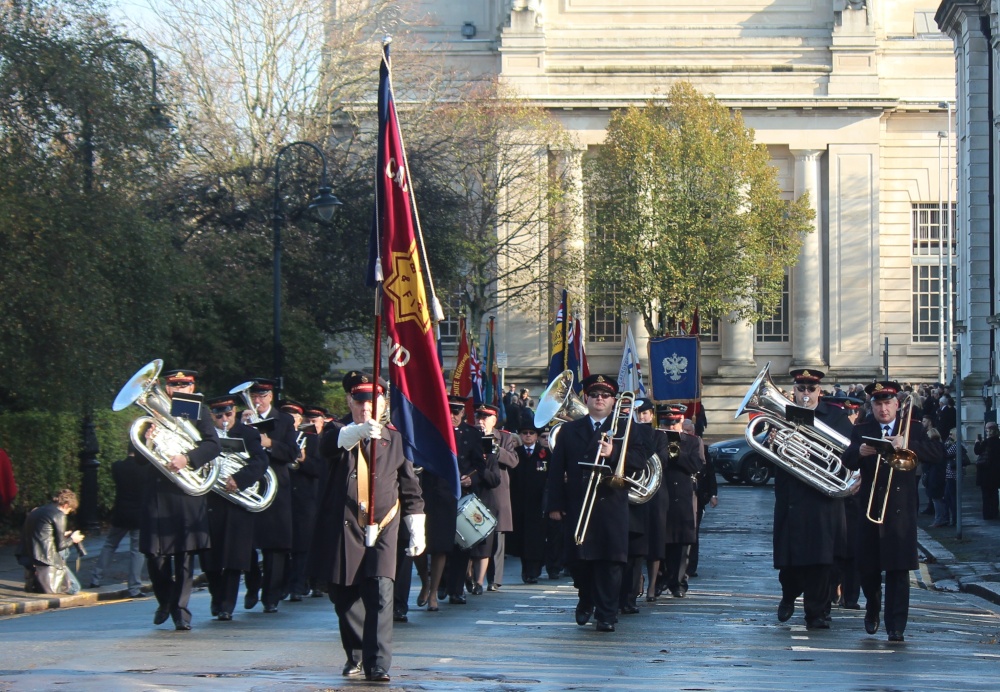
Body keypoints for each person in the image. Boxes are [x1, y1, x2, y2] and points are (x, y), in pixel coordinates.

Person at [314, 372, 425, 683]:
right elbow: (326, 448)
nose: (366, 407)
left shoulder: (395, 439)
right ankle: (357, 654)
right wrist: (357, 433)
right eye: (360, 400)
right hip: (346, 527)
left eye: (372, 401)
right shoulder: (337, 432)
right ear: (350, 400)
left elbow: (410, 487)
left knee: (380, 590)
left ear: (382, 403)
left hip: (384, 526)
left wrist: (416, 524)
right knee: (345, 595)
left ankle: (378, 664)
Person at [545, 374, 651, 632]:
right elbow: (556, 469)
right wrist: (554, 504)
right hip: (579, 502)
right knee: (579, 561)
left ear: (614, 400)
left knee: (610, 562)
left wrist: (613, 453)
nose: (600, 399)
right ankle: (586, 598)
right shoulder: (569, 430)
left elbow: (640, 460)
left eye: (605, 395)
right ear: (586, 399)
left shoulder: (626, 428)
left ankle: (606, 614)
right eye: (594, 395)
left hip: (611, 503)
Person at [842, 380, 942, 643]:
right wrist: (860, 452)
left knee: (898, 571)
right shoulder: (863, 429)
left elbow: (938, 453)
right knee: (868, 568)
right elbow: (847, 458)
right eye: (878, 404)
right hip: (870, 509)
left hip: (901, 513)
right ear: (872, 406)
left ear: (897, 405)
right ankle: (873, 608)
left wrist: (907, 444)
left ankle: (896, 627)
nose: (883, 409)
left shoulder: (914, 428)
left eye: (888, 403)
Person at [140, 368, 221, 631]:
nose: (179, 390)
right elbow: (138, 453)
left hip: (186, 491)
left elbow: (213, 445)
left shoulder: (199, 411)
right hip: (159, 492)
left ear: (192, 387)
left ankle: (181, 611)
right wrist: (147, 439)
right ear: (166, 388)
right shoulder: (153, 412)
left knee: (184, 555)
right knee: (154, 555)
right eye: (174, 386)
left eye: (184, 386)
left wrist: (187, 459)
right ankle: (165, 600)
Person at [771, 368, 852, 630]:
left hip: (822, 499)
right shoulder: (781, 414)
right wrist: (772, 440)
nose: (805, 393)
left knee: (821, 560)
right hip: (791, 496)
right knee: (790, 561)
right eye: (801, 388)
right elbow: (767, 454)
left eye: (810, 389)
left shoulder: (836, 417)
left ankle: (815, 614)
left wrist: (810, 455)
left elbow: (846, 458)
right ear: (793, 390)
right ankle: (788, 594)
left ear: (820, 391)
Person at [200, 394, 270, 621]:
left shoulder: (248, 434)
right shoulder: (204, 435)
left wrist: (240, 479)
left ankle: (227, 605)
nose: (224, 419)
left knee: (233, 558)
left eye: (228, 414)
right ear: (212, 416)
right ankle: (216, 595)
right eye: (218, 415)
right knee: (209, 558)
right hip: (211, 501)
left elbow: (260, 462)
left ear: (234, 412)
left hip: (236, 501)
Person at [242, 378, 297, 614]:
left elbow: (292, 452)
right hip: (249, 487)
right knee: (246, 544)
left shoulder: (284, 420)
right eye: (254, 396)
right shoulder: (240, 418)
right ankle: (253, 586)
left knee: (275, 547)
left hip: (276, 488)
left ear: (270, 397)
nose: (257, 401)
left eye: (262, 396)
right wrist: (240, 428)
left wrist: (269, 443)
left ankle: (271, 596)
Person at [657, 402, 704, 600]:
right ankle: (661, 579)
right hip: (660, 495)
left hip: (683, 497)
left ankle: (678, 582)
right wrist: (665, 451)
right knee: (661, 542)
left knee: (682, 543)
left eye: (674, 424)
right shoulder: (655, 439)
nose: (671, 428)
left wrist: (678, 453)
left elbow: (697, 465)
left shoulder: (693, 442)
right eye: (667, 424)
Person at [88, 442, 147, 597]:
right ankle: (134, 587)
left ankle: (96, 578)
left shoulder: (117, 467)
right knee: (136, 551)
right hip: (139, 514)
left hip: (121, 511)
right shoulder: (145, 469)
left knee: (110, 545)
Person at [478, 403, 519, 592]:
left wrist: (496, 449)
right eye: (479, 417)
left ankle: (494, 579)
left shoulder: (504, 437)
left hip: (497, 492)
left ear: (493, 420)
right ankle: (474, 577)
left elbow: (513, 461)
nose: (481, 421)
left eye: (485, 418)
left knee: (497, 538)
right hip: (477, 491)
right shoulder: (472, 435)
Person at [16, 488, 84, 594]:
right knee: (74, 587)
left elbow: (40, 533)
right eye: (69, 510)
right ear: (66, 505)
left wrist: (63, 534)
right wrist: (73, 539)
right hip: (45, 558)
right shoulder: (59, 515)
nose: (68, 513)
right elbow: (60, 545)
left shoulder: (37, 510)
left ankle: (38, 582)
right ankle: (55, 586)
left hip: (29, 555)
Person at [509, 421, 552, 583]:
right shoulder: (515, 452)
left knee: (536, 538)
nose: (528, 435)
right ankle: (525, 569)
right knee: (521, 538)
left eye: (531, 433)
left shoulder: (545, 453)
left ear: (536, 436)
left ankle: (534, 570)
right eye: (525, 433)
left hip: (538, 503)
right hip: (518, 501)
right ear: (520, 435)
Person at [687, 418, 717, 579]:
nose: (687, 434)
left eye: (689, 431)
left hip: (698, 496)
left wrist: (713, 494)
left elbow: (710, 474)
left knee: (694, 532)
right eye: (684, 431)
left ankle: (691, 567)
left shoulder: (702, 448)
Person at [974, 422, 1000, 520]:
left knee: (986, 495)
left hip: (985, 471)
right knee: (994, 493)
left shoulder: (986, 442)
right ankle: (994, 512)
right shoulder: (998, 442)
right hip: (996, 472)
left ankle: (987, 514)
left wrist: (977, 442)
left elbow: (977, 451)